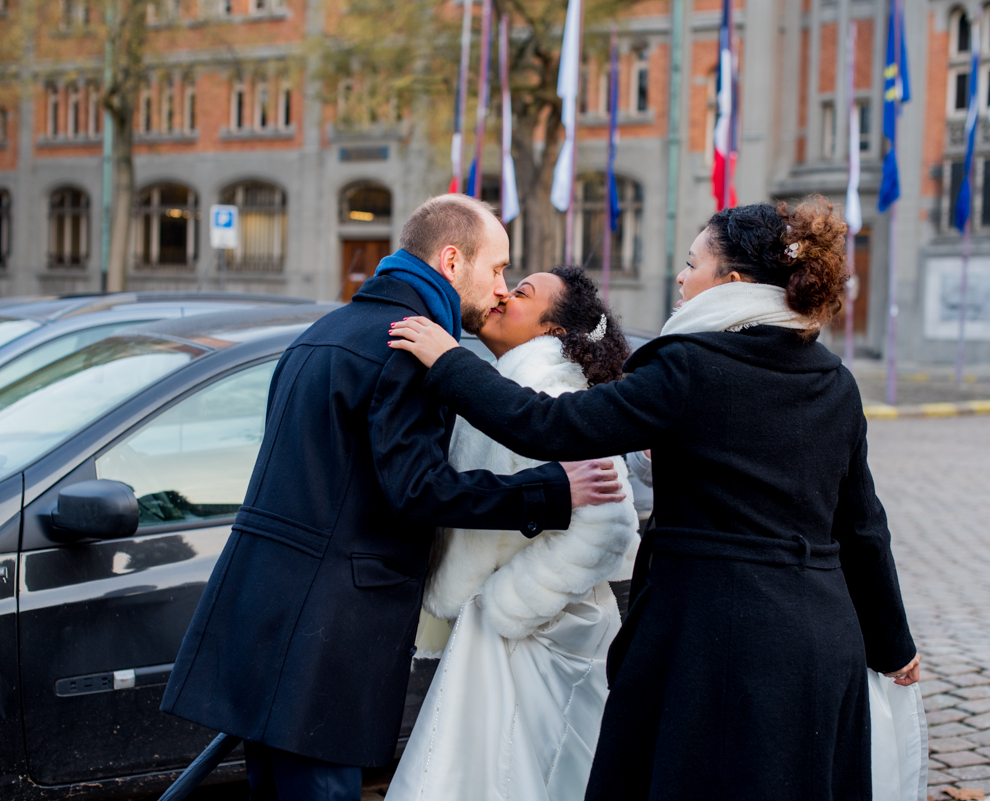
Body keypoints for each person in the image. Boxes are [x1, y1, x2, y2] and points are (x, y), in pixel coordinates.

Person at [389, 197, 924, 801]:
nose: (680, 274)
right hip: (823, 644)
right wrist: (892, 643)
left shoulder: (691, 366)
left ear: (733, 281)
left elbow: (549, 426)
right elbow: (862, 527)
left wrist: (450, 361)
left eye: (693, 261)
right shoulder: (834, 378)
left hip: (712, 643)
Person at [160, 195, 625, 801]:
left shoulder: (327, 329)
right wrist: (549, 491)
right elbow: (417, 489)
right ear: (452, 260)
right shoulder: (409, 347)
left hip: (267, 609)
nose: (501, 288)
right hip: (326, 630)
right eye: (498, 269)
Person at [386, 267, 640, 801]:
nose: (502, 294)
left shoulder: (550, 387)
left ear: (552, 331)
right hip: (508, 633)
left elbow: (609, 524)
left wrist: (505, 605)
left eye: (520, 292)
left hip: (539, 633)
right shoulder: (509, 383)